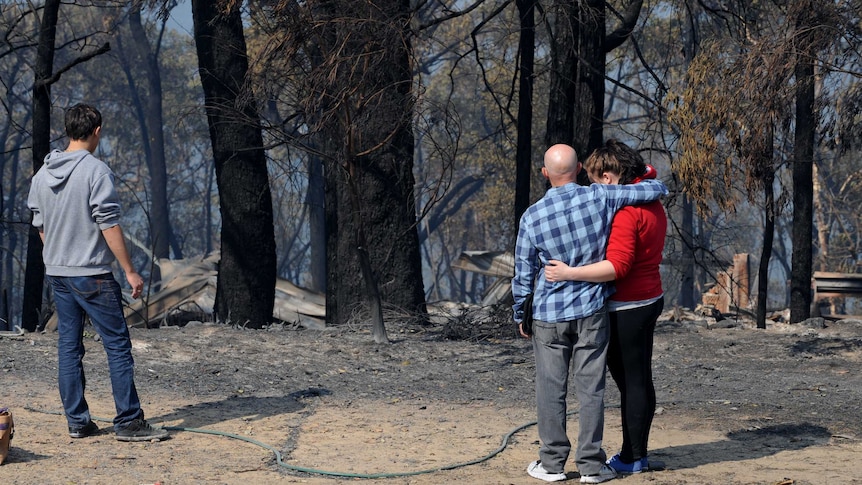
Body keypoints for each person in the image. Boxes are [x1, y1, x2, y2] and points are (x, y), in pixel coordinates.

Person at [513, 144, 667, 483]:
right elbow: (655, 188)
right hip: (591, 310)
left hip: (549, 315)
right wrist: (651, 181)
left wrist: (520, 314)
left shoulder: (532, 216)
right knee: (591, 389)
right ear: (580, 168)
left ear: (544, 174)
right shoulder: (599, 197)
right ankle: (591, 466)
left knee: (550, 389)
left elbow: (523, 272)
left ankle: (552, 464)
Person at [27, 103, 169, 442]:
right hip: (92, 275)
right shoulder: (96, 171)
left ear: (67, 129)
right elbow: (109, 224)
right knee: (117, 346)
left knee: (68, 347)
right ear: (97, 132)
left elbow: (40, 224)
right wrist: (131, 271)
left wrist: (56, 254)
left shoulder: (42, 174)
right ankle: (129, 423)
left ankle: (77, 422)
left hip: (59, 273)